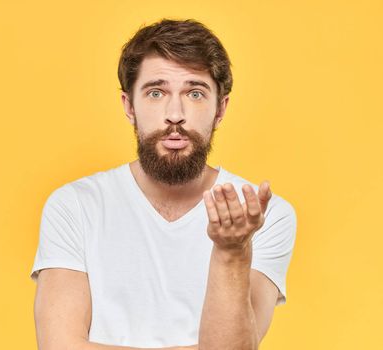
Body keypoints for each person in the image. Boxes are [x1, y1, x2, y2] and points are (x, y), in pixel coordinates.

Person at [30, 18, 296, 350]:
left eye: (195, 93)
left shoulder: (262, 215)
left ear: (220, 109)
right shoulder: (74, 206)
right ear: (129, 106)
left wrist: (233, 251)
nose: (175, 114)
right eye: (156, 92)